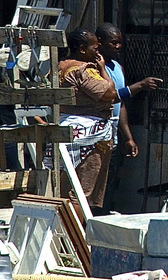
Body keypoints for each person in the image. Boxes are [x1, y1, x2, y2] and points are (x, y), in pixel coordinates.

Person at [58, 28, 120, 212]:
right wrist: (102, 69)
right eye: (95, 48)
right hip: (89, 137)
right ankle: (75, 236)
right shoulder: (84, 69)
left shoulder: (61, 66)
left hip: (66, 131)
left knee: (65, 187)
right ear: (82, 49)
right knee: (81, 191)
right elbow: (109, 93)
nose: (98, 52)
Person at [96, 23, 162, 164]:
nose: (118, 46)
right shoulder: (93, 69)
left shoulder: (118, 67)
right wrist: (140, 85)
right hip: (95, 138)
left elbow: (120, 105)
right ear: (100, 42)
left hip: (112, 138)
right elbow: (110, 96)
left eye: (120, 43)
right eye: (114, 43)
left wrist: (128, 138)